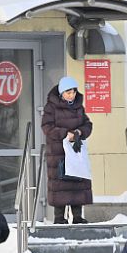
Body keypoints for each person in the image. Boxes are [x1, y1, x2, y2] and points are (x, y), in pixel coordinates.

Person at [42, 76, 93, 225]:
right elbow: (47, 127)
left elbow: (87, 124)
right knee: (60, 184)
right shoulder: (51, 107)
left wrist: (79, 132)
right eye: (68, 92)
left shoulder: (78, 107)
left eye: (73, 92)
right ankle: (59, 218)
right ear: (61, 93)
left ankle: (77, 216)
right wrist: (65, 134)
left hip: (75, 150)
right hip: (58, 152)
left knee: (77, 181)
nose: (71, 95)